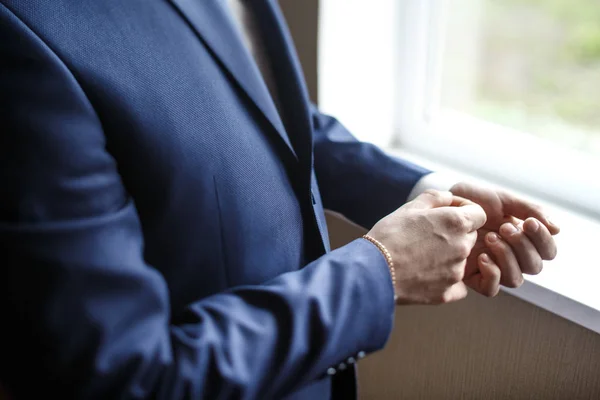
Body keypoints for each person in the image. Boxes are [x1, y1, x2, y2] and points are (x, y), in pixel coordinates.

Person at [0, 0, 559, 399]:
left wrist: (424, 194)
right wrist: (381, 272)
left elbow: (271, 120)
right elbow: (124, 378)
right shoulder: (20, 35)